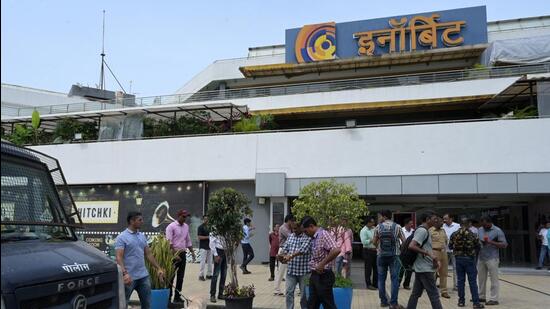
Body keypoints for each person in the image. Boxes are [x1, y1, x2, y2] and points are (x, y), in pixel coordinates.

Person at [115, 211, 165, 309]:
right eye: (140, 220)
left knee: (147, 305)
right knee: (122, 305)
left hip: (143, 277)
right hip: (129, 278)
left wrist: (158, 268)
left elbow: (148, 254)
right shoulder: (122, 237)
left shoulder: (142, 236)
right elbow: (118, 257)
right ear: (132, 221)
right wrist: (125, 274)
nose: (142, 222)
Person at [301, 216, 341, 309]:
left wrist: (322, 263)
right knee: (312, 304)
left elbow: (336, 250)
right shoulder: (314, 238)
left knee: (328, 304)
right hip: (315, 275)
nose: (305, 234)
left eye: (306, 231)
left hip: (324, 276)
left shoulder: (323, 234)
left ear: (311, 226)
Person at [405, 211, 443, 309]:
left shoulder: (426, 230)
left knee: (415, 294)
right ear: (427, 219)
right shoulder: (422, 231)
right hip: (425, 269)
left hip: (421, 268)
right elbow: (412, 246)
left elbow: (426, 247)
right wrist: (428, 254)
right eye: (434, 219)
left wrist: (434, 258)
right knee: (434, 295)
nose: (436, 220)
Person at [373, 210, 406, 309]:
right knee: (394, 279)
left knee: (381, 279)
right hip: (394, 256)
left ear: (384, 216)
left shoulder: (378, 227)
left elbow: (374, 242)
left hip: (381, 255)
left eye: (380, 216)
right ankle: (394, 303)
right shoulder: (398, 227)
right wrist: (400, 250)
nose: (379, 218)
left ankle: (383, 302)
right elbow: (404, 241)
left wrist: (378, 247)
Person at [450, 218, 484, 308]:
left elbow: (450, 245)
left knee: (460, 281)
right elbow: (479, 246)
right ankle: (476, 303)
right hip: (470, 259)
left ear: (460, 224)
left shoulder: (454, 234)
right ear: (469, 224)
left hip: (458, 259)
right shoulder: (473, 234)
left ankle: (461, 301)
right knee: (472, 281)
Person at [165, 209, 197, 303]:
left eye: (186, 217)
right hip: (173, 254)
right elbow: (168, 243)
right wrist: (174, 254)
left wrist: (192, 252)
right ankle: (168, 297)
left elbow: (188, 240)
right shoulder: (171, 227)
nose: (185, 218)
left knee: (180, 276)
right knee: (171, 276)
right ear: (178, 216)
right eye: (183, 216)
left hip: (182, 253)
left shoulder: (186, 226)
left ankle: (177, 296)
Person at [280, 221, 312, 309]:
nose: (293, 230)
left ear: (301, 228)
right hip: (291, 271)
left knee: (304, 296)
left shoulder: (307, 237)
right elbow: (285, 248)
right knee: (289, 293)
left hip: (304, 272)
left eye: (295, 228)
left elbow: (303, 250)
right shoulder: (290, 237)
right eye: (292, 228)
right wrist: (281, 255)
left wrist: (290, 256)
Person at [477, 216, 508, 306]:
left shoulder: (498, 230)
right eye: (482, 225)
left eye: (485, 225)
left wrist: (491, 242)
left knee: (494, 279)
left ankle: (494, 299)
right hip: (481, 257)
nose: (484, 226)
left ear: (490, 223)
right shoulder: (480, 229)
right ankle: (481, 296)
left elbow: (504, 244)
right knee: (481, 279)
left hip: (492, 258)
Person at [275, 214, 296, 295]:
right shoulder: (283, 228)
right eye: (292, 221)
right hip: (283, 251)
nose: (293, 223)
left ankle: (294, 289)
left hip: (289, 251)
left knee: (291, 270)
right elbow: (291, 237)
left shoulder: (289, 228)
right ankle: (276, 289)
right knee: (281, 271)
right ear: (289, 220)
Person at [429, 216, 450, 299]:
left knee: (444, 273)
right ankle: (432, 291)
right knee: (433, 272)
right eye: (441, 222)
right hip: (434, 252)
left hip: (443, 252)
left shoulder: (443, 230)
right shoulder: (430, 231)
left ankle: (444, 291)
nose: (443, 223)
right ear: (436, 222)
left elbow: (446, 241)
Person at [443, 214, 460, 291]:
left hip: (454, 250)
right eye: (444, 219)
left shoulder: (457, 226)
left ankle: (456, 285)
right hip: (444, 250)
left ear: (451, 218)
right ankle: (443, 285)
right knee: (443, 268)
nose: (444, 220)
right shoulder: (442, 226)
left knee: (456, 267)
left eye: (446, 219)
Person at [360, 216, 378, 290]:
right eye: (372, 222)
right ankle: (368, 284)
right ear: (368, 223)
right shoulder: (363, 230)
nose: (373, 223)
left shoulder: (374, 229)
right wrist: (372, 240)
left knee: (376, 268)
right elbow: (364, 241)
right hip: (367, 251)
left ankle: (375, 284)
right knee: (368, 269)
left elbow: (377, 237)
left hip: (375, 250)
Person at [209, 232, 227, 303]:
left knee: (224, 274)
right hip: (218, 251)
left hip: (225, 251)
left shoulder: (227, 228)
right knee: (216, 274)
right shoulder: (215, 229)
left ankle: (220, 294)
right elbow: (211, 243)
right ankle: (212, 295)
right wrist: (215, 255)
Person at [399, 218, 414, 290]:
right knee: (401, 269)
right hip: (402, 252)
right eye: (410, 223)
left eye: (412, 223)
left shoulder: (413, 231)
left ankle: (406, 284)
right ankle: (398, 283)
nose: (412, 225)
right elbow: (400, 242)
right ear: (406, 224)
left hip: (411, 253)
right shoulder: (401, 230)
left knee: (409, 270)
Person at [197, 215, 213, 281]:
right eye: (205, 219)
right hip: (203, 247)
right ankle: (201, 275)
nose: (206, 220)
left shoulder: (211, 227)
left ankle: (209, 275)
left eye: (207, 219)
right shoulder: (200, 227)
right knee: (203, 262)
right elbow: (199, 237)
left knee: (210, 261)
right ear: (203, 220)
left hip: (210, 246)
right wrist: (208, 237)